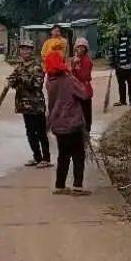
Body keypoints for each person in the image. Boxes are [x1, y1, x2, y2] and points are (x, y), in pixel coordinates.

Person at [45, 49, 92, 194]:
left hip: (58, 125)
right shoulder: (68, 80)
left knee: (63, 155)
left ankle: (60, 185)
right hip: (72, 124)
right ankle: (77, 186)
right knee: (78, 155)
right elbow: (84, 94)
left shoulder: (49, 82)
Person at [7, 38, 50, 167]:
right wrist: (12, 81)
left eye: (27, 48)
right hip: (24, 105)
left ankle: (46, 159)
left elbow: (37, 84)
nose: (24, 51)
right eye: (22, 48)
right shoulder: (20, 66)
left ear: (31, 50)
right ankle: (37, 157)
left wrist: (21, 78)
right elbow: (13, 79)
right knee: (30, 132)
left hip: (36, 105)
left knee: (41, 132)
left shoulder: (36, 66)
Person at [110, 26, 131, 106]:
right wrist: (112, 62)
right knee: (121, 85)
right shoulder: (116, 39)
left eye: (124, 28)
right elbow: (111, 50)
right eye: (121, 28)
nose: (122, 30)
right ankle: (122, 100)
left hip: (129, 67)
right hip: (119, 67)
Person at [71, 35, 94, 132]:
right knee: (77, 112)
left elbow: (83, 76)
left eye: (82, 47)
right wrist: (73, 65)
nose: (80, 49)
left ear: (86, 49)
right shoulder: (75, 59)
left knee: (86, 113)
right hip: (76, 89)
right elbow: (71, 73)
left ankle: (87, 132)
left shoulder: (86, 60)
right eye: (78, 47)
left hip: (84, 89)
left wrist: (75, 66)